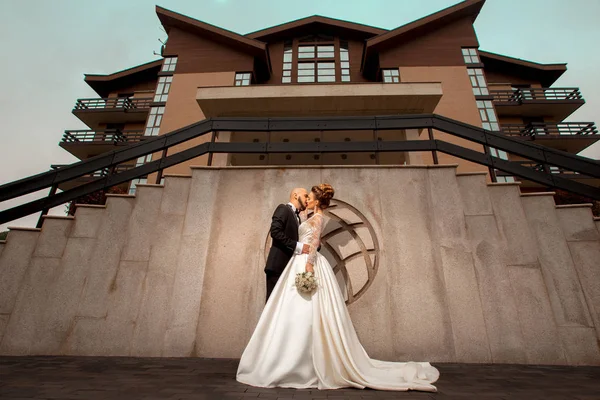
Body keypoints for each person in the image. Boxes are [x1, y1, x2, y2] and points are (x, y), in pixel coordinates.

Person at [237, 184, 440, 392]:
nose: (307, 199)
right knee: (291, 313)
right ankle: (286, 358)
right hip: (296, 261)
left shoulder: (317, 219)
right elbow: (295, 236)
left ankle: (302, 362)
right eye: (305, 196)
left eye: (310, 197)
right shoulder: (301, 214)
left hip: (306, 262)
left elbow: (315, 243)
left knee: (305, 311)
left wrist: (308, 267)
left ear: (316, 201)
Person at [264, 188, 310, 302]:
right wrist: (298, 246)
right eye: (305, 196)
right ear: (295, 195)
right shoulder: (283, 208)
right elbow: (275, 232)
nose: (307, 199)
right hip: (277, 267)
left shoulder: (298, 217)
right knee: (272, 304)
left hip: (290, 269)